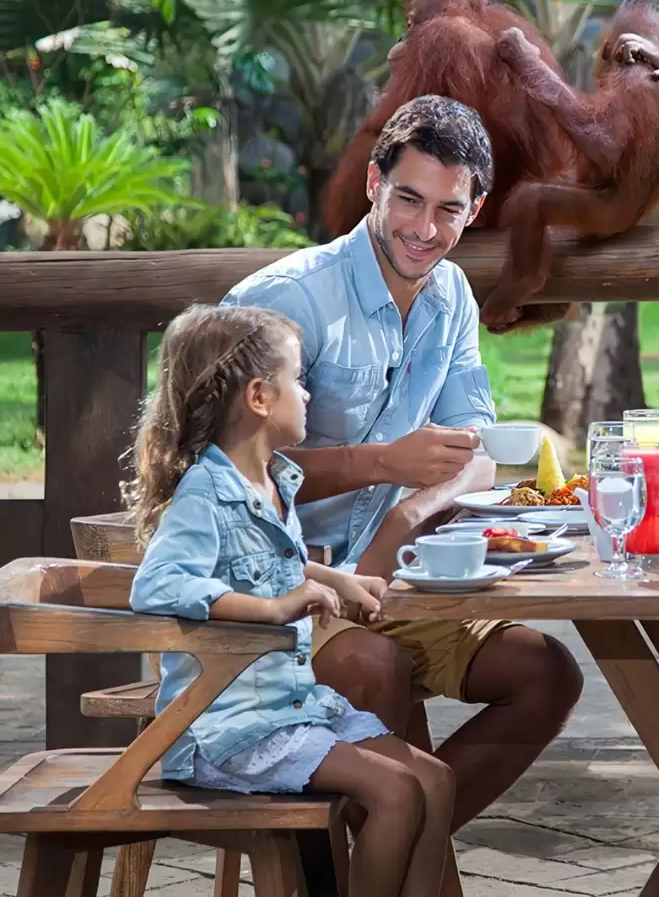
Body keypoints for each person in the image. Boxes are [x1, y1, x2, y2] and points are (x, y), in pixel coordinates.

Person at [222, 94, 583, 831]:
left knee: (546, 674)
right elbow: (224, 471)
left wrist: (411, 512)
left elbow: (475, 444)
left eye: (448, 210)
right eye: (408, 199)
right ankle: (398, 859)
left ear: (475, 209)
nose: (425, 229)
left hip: (395, 581)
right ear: (373, 186)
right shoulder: (287, 302)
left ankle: (388, 850)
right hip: (275, 592)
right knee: (374, 670)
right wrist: (382, 463)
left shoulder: (450, 295)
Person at [127, 304, 456, 897]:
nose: (307, 394)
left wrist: (338, 581)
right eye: (298, 380)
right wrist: (274, 610)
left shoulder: (271, 480)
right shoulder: (205, 491)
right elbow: (157, 585)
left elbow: (261, 559)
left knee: (434, 781)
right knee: (397, 791)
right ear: (259, 396)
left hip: (290, 706)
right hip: (227, 729)